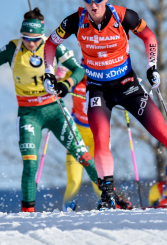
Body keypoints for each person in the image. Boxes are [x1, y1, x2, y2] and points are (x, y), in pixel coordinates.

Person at [42, 0, 167, 210]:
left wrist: (152, 67)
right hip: (98, 88)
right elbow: (50, 44)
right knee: (100, 142)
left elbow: (149, 36)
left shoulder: (123, 15)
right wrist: (49, 73)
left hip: (127, 84)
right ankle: (107, 193)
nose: (93, 4)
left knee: (163, 133)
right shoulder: (74, 21)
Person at [0, 8, 99, 213]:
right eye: (26, 38)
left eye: (34, 39)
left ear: (42, 35)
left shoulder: (53, 47)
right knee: (30, 165)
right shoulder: (13, 49)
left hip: (54, 110)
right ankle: (28, 213)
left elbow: (79, 70)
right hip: (29, 114)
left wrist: (67, 84)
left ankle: (110, 196)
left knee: (83, 155)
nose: (30, 43)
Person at [56, 67, 132, 211]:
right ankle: (67, 214)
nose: (87, 71)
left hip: (97, 133)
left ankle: (105, 208)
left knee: (100, 179)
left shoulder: (104, 80)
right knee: (73, 180)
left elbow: (122, 85)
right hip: (77, 134)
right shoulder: (75, 77)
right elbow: (53, 84)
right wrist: (58, 75)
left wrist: (129, 86)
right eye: (84, 67)